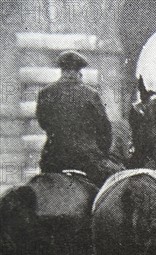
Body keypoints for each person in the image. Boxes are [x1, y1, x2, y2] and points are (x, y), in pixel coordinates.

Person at [36, 50, 118, 186]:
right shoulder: (91, 94)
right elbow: (104, 129)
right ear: (79, 72)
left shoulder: (45, 93)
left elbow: (43, 123)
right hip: (86, 160)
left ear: (62, 70)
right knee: (109, 189)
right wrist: (103, 152)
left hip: (53, 159)